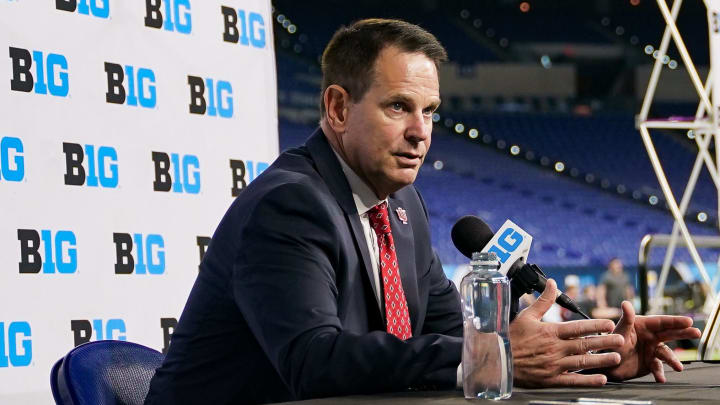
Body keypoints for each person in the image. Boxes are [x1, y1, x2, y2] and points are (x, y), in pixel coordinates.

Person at [144, 19, 700, 404]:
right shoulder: (290, 204)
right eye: (398, 107)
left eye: (430, 111)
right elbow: (314, 362)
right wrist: (495, 354)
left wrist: (594, 354)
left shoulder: (402, 205)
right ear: (338, 108)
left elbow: (449, 335)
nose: (420, 132)